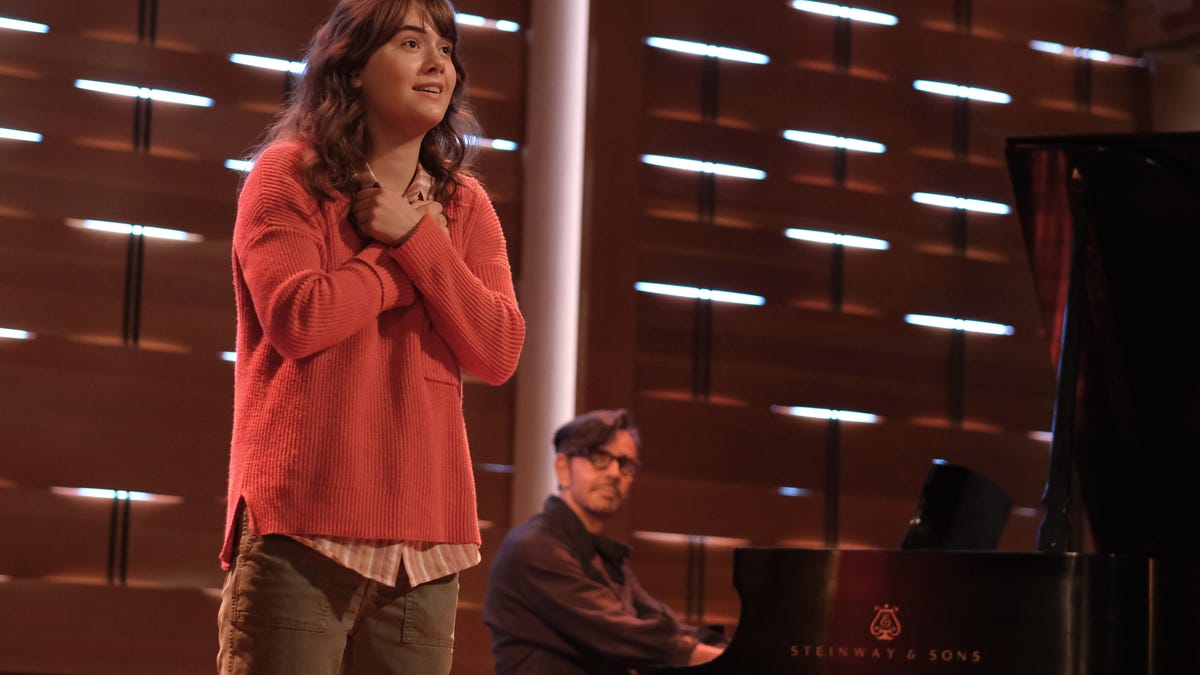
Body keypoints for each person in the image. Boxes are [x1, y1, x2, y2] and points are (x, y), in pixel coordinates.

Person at [216, 0, 524, 672]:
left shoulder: (465, 205)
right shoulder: (289, 173)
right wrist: (400, 262)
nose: (437, 61)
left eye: (445, 46)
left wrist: (418, 241)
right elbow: (300, 318)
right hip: (302, 529)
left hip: (427, 549)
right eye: (411, 43)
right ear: (352, 66)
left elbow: (499, 349)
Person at [483, 409, 728, 673]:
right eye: (599, 458)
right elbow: (623, 634)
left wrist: (727, 649)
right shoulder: (533, 548)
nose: (614, 472)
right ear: (563, 468)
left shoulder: (602, 557)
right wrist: (722, 659)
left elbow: (660, 620)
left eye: (625, 463)